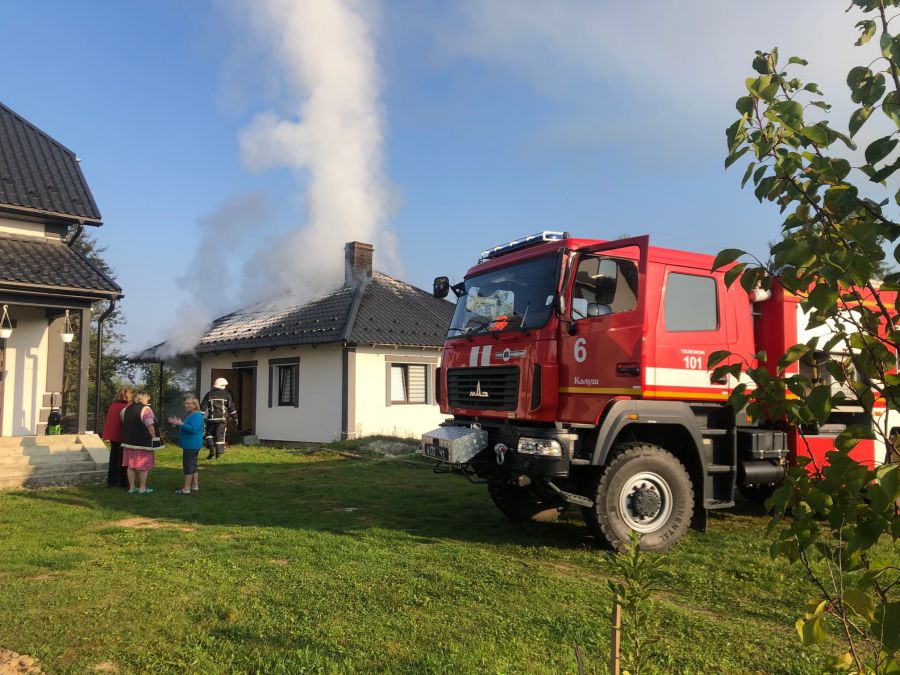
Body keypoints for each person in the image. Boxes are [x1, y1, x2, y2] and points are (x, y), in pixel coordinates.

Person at [120, 392, 161, 494]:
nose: (148, 400)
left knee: (131, 466)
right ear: (144, 399)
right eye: (147, 398)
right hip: (143, 443)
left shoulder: (126, 409)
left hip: (128, 442)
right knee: (144, 465)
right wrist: (155, 437)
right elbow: (150, 426)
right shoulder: (145, 409)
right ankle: (142, 488)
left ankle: (132, 488)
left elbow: (123, 421)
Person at [168, 397, 204, 494]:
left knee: (188, 466)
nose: (186, 405)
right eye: (186, 404)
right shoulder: (193, 414)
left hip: (191, 445)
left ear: (195, 405)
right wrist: (179, 423)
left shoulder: (196, 415)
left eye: (189, 404)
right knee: (193, 465)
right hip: (192, 444)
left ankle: (186, 489)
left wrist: (181, 424)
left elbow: (193, 429)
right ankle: (194, 485)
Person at [200, 377, 238, 460]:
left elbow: (202, 407)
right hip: (221, 420)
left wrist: (200, 417)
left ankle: (211, 450)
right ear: (222, 385)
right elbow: (231, 407)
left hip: (211, 419)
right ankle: (218, 455)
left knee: (209, 434)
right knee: (219, 435)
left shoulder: (209, 394)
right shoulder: (226, 394)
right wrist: (235, 418)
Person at [102, 388, 132, 488]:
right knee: (123, 460)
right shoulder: (127, 407)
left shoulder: (113, 405)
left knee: (114, 458)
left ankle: (111, 481)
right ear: (128, 396)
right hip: (122, 436)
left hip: (112, 435)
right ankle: (123, 482)